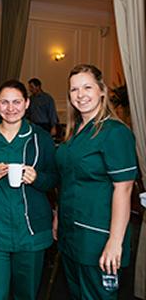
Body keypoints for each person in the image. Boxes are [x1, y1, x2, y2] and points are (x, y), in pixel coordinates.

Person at [0, 79, 57, 299]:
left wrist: (37, 178)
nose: (11, 108)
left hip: (31, 231)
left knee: (26, 293)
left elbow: (54, 179)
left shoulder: (41, 138)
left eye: (16, 102)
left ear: (27, 103)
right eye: (4, 102)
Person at [55, 64, 137, 299]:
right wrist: (59, 215)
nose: (80, 95)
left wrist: (114, 242)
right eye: (74, 89)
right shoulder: (76, 131)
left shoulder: (114, 132)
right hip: (71, 235)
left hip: (97, 238)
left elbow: (124, 188)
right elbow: (68, 179)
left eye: (87, 87)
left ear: (102, 90)